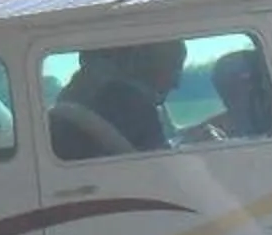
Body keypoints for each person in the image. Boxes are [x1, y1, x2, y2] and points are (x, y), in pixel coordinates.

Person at [51, 40, 185, 161]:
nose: (176, 83)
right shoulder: (129, 105)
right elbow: (162, 167)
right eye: (173, 67)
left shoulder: (75, 98)